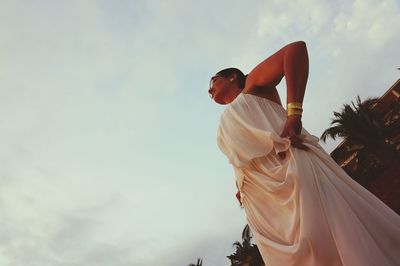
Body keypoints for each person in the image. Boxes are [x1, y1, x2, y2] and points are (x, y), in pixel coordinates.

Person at [208, 41, 400, 266]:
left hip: (293, 170)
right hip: (264, 197)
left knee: (330, 232)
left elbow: (295, 50)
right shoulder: (226, 120)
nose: (209, 90)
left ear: (232, 76)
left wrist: (294, 113)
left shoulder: (252, 85)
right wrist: (240, 185)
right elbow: (242, 156)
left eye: (213, 82)